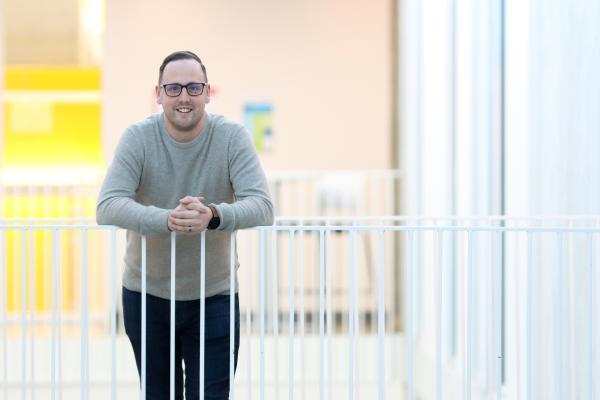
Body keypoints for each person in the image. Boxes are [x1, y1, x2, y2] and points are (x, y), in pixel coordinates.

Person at [96, 50, 274, 400]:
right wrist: (166, 219)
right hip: (147, 295)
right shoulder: (138, 138)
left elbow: (263, 206)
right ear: (158, 94)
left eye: (194, 87)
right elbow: (107, 206)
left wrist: (214, 216)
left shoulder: (231, 137)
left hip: (215, 295)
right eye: (173, 88)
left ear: (208, 93)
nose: (184, 97)